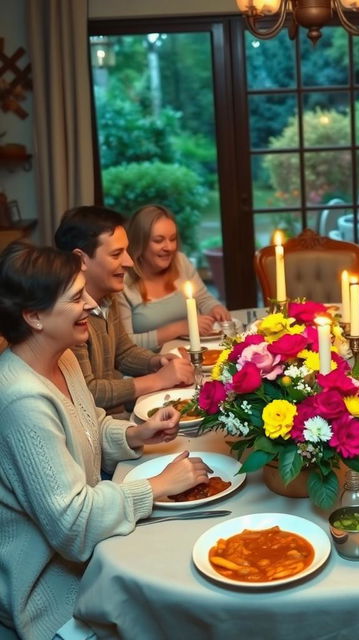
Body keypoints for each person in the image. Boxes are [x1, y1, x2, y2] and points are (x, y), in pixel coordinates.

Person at [0, 242, 212, 640]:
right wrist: (158, 486)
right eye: (77, 298)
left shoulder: (59, 357)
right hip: (53, 596)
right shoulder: (22, 399)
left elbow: (87, 425)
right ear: (34, 317)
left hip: (90, 556)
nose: (93, 307)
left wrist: (135, 433)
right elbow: (74, 524)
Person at [54, 205, 194, 415]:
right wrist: (158, 379)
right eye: (117, 254)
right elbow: (88, 391)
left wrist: (156, 361)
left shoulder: (108, 295)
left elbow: (124, 352)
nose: (129, 262)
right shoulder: (68, 314)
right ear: (80, 259)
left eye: (126, 251)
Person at [118, 204, 231, 351]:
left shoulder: (180, 261)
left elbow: (203, 299)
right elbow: (125, 345)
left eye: (172, 239)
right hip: (151, 366)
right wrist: (179, 328)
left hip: (194, 354)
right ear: (139, 242)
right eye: (159, 240)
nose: (169, 247)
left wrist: (215, 308)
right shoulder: (122, 283)